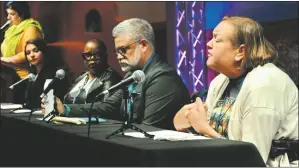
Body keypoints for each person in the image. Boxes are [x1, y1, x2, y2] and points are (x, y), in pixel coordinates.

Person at [173, 16, 298, 167]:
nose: (208, 44)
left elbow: (252, 160)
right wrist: (186, 125)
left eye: (217, 39)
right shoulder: (220, 81)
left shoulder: (265, 84)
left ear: (240, 51)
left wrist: (204, 130)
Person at [44, 18, 190, 130]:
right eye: (116, 51)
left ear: (144, 45)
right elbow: (108, 106)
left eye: (123, 50)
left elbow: (148, 129)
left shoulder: (163, 79)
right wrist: (66, 109)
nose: (118, 56)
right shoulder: (132, 76)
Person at [0, 1, 43, 104]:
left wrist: (3, 60)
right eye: (7, 14)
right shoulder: (11, 30)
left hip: (23, 77)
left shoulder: (30, 28)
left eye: (12, 14)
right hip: (9, 72)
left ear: (22, 14)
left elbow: (27, 54)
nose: (8, 18)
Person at [63, 39, 122, 104]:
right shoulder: (83, 76)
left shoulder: (112, 78)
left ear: (105, 57)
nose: (92, 60)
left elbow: (105, 108)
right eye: (88, 55)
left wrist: (68, 110)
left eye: (97, 55)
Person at [24, 38, 69, 109]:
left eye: (35, 51)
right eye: (28, 53)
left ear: (44, 51)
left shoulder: (56, 74)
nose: (32, 55)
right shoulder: (32, 75)